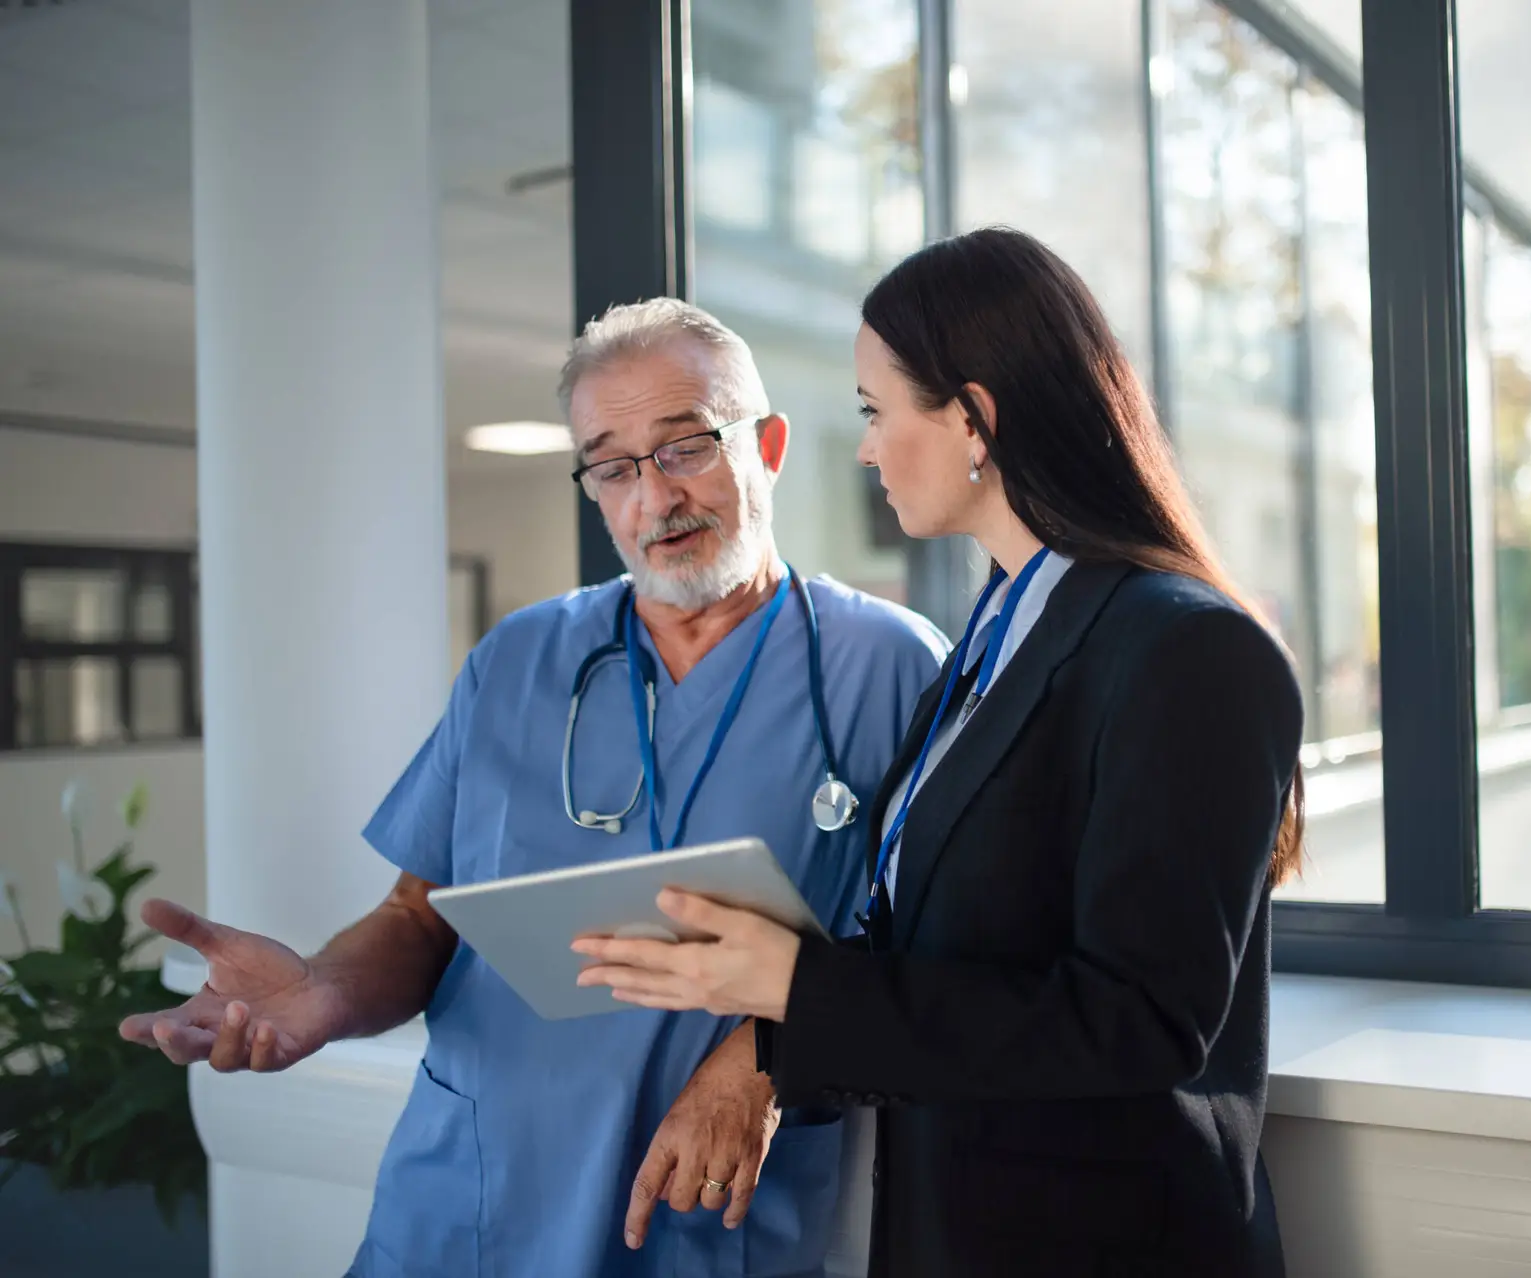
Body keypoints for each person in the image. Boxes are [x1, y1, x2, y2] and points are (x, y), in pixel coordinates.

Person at [119, 299, 947, 1278]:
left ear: (766, 444)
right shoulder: (519, 659)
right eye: (612, 465)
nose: (654, 498)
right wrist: (322, 992)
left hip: (702, 1220)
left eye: (685, 448)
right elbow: (420, 920)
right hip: (470, 1207)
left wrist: (767, 1060)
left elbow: (937, 958)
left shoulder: (887, 668)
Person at [574, 227, 1307, 1278]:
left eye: (876, 412)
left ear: (973, 418)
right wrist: (770, 1034)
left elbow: (1139, 1021)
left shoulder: (1186, 649)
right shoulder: (996, 641)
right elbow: (952, 950)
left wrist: (800, 991)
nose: (865, 448)